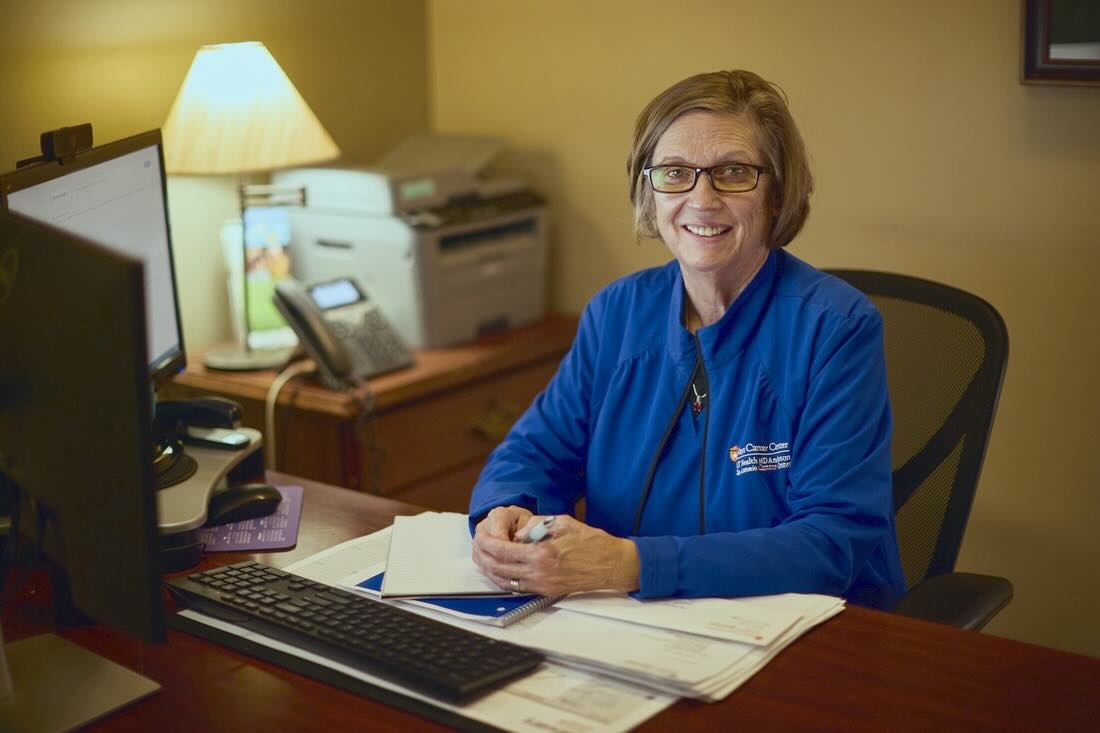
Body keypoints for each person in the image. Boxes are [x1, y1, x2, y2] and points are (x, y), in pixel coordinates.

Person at [469, 70, 906, 609]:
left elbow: (831, 541)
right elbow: (534, 452)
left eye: (733, 172)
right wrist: (507, 508)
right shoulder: (616, 313)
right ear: (649, 192)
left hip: (805, 631)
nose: (702, 199)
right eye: (675, 173)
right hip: (631, 625)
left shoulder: (836, 327)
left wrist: (630, 564)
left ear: (777, 193)